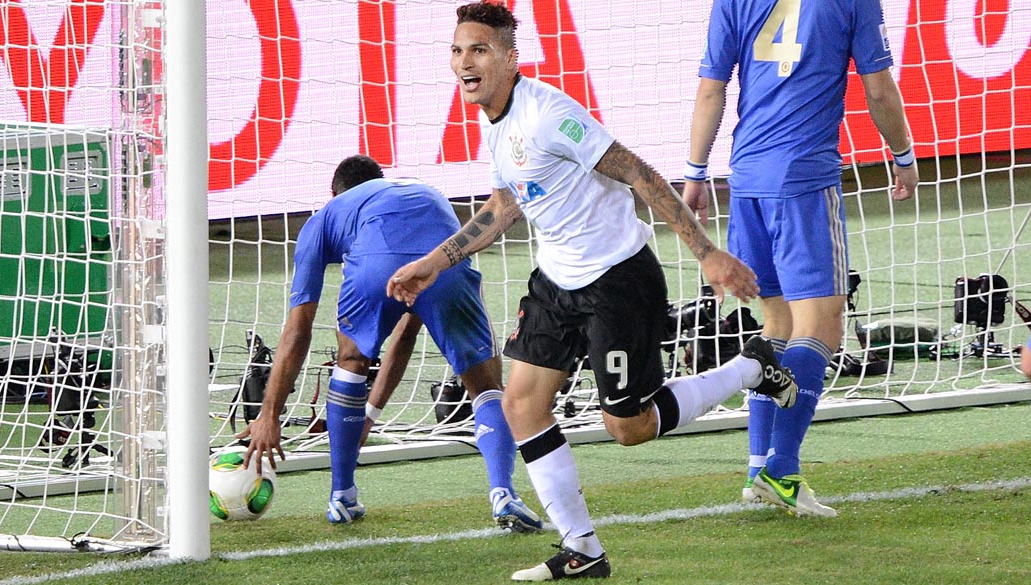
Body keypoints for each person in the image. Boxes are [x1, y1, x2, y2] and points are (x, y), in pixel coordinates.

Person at [386, 2, 798, 580]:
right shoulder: (496, 124)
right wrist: (435, 260)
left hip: (616, 280)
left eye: (478, 49)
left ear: (509, 57)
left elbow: (637, 172)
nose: (464, 63)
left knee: (628, 427)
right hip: (556, 281)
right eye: (457, 51)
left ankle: (752, 368)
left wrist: (707, 252)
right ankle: (584, 550)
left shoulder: (549, 113)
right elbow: (505, 205)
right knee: (521, 403)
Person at [683, 0, 920, 518]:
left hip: (746, 181)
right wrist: (903, 156)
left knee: (778, 325)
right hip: (804, 180)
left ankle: (755, 470)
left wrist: (696, 172)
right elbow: (877, 88)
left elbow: (711, 88)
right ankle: (782, 469)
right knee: (823, 324)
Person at [240, 154, 543, 533]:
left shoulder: (324, 219)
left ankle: (342, 496)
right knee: (485, 388)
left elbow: (297, 331)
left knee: (350, 361)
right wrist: (371, 414)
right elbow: (406, 332)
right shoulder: (417, 192)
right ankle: (503, 493)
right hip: (445, 255)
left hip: (373, 265)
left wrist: (270, 414)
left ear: (332, 194)